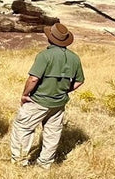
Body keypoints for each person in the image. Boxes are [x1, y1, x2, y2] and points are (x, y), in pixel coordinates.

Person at [10, 22, 85, 169]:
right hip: (59, 102)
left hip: (38, 100)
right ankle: (45, 163)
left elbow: (33, 78)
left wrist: (25, 95)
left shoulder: (45, 55)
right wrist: (64, 90)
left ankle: (20, 162)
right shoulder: (74, 58)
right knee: (52, 133)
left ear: (50, 38)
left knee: (23, 128)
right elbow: (79, 81)